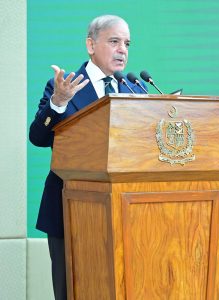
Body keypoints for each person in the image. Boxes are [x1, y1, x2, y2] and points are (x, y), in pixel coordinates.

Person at [29, 15, 147, 300]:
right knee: (73, 290)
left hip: (127, 211)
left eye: (127, 43)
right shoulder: (66, 86)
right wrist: (58, 102)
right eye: (114, 41)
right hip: (70, 209)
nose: (123, 50)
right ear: (91, 45)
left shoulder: (136, 90)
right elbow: (38, 137)